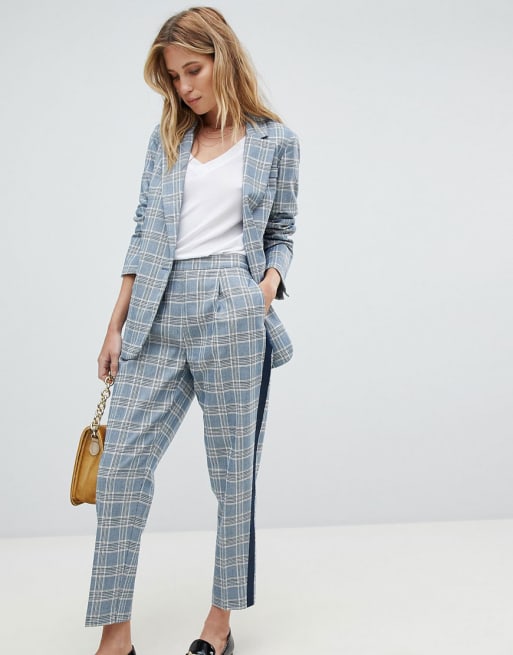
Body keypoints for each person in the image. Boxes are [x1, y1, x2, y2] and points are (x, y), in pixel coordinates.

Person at [86, 6, 299, 655]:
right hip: (157, 305)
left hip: (232, 308)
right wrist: (116, 324)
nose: (184, 87)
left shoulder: (275, 141)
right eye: (174, 77)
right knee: (120, 468)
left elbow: (283, 231)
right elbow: (143, 231)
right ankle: (115, 637)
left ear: (222, 59)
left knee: (232, 474)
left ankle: (218, 624)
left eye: (193, 70)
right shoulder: (167, 141)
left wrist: (264, 288)